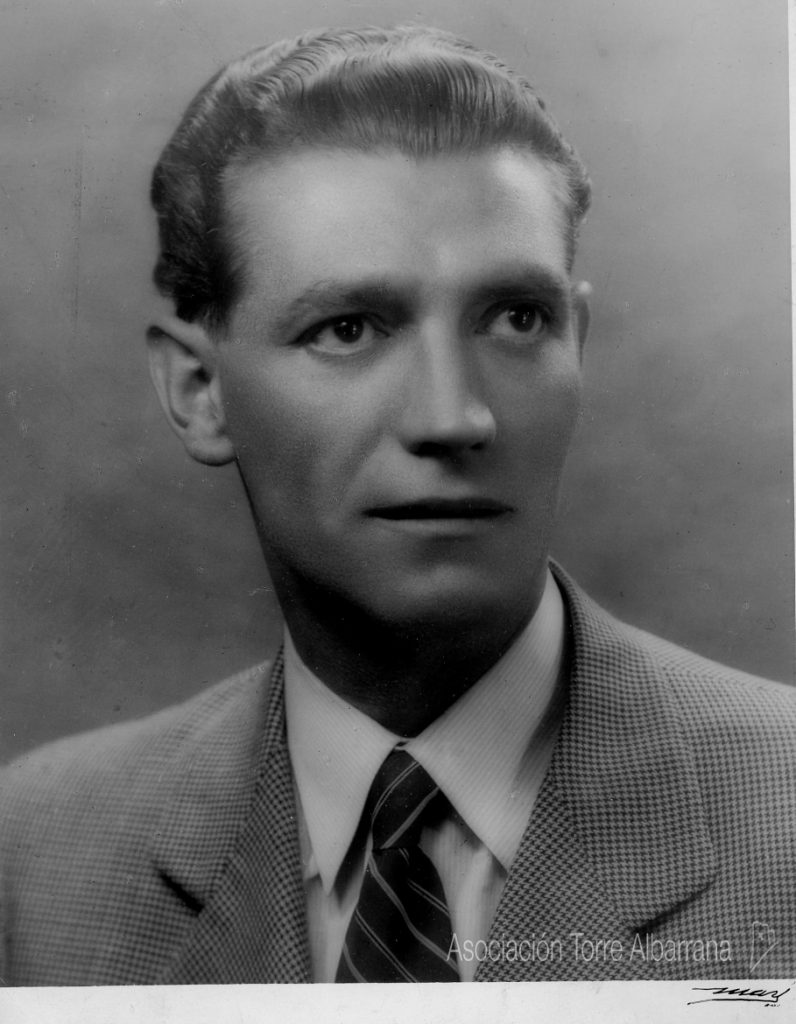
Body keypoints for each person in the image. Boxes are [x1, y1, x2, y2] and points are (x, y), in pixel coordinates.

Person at [1, 25, 793, 986]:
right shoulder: (36, 857)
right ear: (200, 393)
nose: (453, 417)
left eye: (516, 318)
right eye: (348, 329)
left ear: (576, 343)